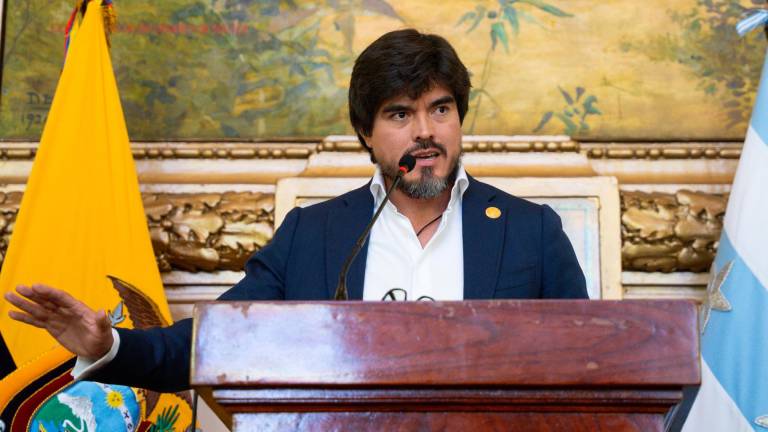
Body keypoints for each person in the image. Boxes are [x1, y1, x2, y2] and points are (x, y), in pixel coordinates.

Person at [5, 29, 587, 393]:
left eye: (441, 109)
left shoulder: (530, 231)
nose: (427, 132)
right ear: (365, 131)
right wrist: (109, 347)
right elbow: (217, 340)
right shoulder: (317, 234)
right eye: (400, 115)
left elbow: (593, 361)